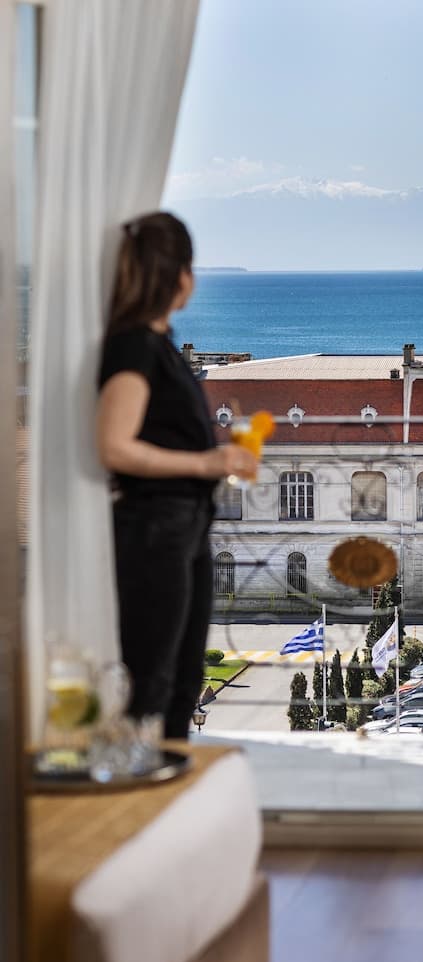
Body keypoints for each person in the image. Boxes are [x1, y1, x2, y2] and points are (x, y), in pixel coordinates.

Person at [96, 211, 257, 738]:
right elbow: (114, 445)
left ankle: (165, 769)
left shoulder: (159, 343)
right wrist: (207, 463)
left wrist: (217, 457)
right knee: (154, 678)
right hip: (154, 529)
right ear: (176, 276)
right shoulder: (135, 346)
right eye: (189, 268)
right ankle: (141, 772)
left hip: (182, 528)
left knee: (183, 679)